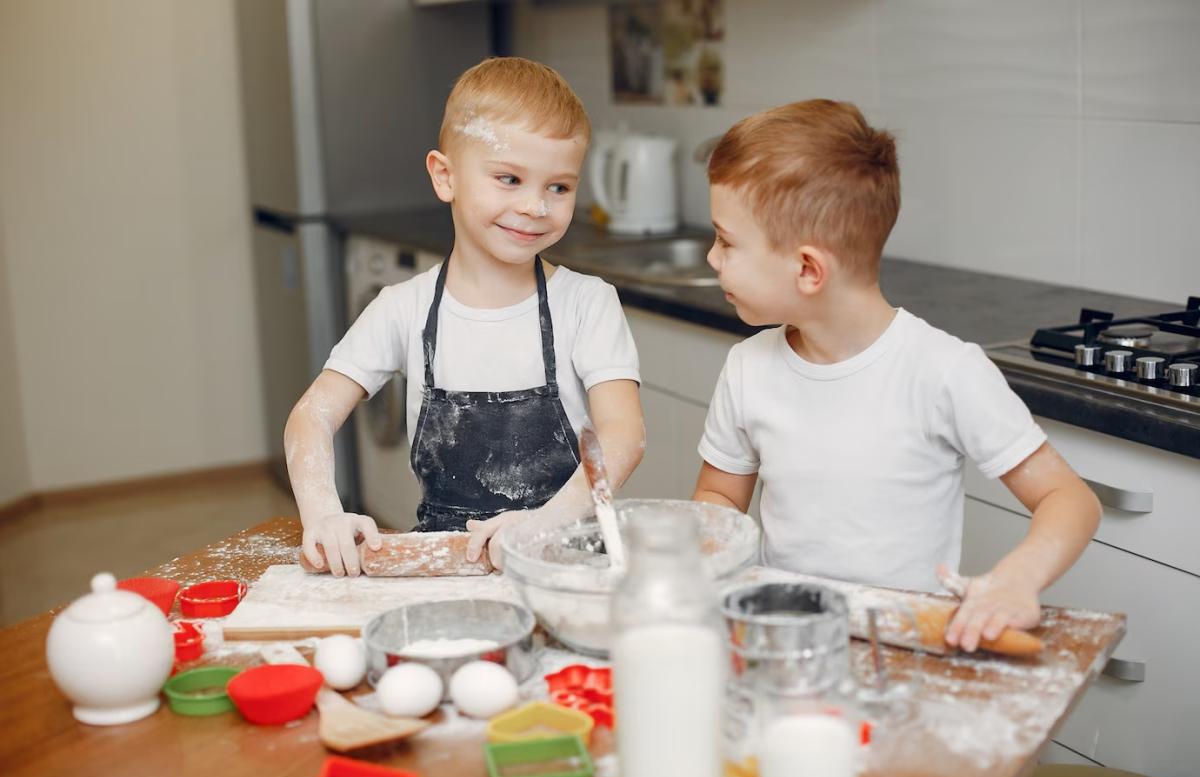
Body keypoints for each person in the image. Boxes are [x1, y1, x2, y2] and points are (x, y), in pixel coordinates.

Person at [691, 100, 1101, 652]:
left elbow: (1069, 499)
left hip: (907, 651)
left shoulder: (944, 372)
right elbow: (719, 493)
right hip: (783, 641)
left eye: (726, 241)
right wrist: (703, 550)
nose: (713, 258)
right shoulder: (748, 367)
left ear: (808, 269)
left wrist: (1017, 579)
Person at [285, 58, 644, 577]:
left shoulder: (587, 304)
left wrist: (543, 522)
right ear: (445, 176)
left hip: (567, 564)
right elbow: (311, 417)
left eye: (558, 187)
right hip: (447, 565)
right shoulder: (402, 308)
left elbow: (623, 434)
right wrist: (323, 515)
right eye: (509, 178)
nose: (535, 206)